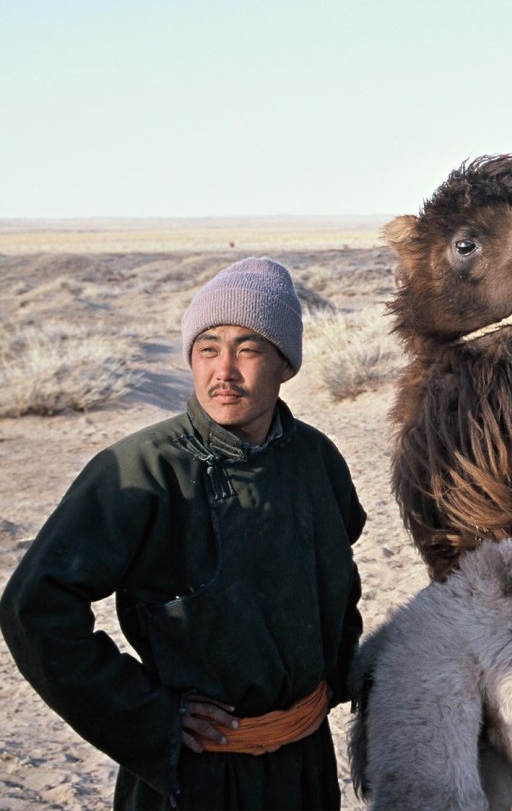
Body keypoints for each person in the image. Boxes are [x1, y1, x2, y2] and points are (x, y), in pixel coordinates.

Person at [1, 257, 365, 810]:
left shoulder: (316, 459)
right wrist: (147, 713)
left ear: (285, 362)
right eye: (207, 349)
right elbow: (35, 607)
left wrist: (332, 679)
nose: (224, 372)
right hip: (194, 775)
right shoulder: (142, 469)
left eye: (248, 349)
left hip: (303, 765)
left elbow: (341, 578)